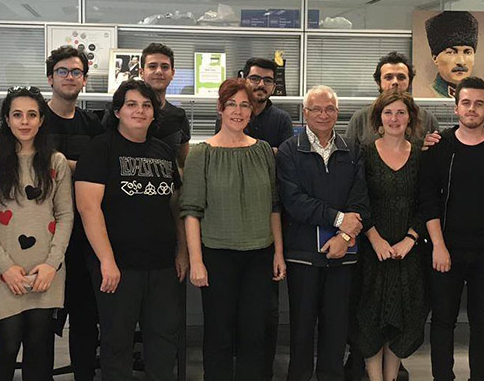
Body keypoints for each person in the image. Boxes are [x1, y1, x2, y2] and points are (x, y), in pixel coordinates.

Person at [419, 77, 484, 381]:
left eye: (479, 104)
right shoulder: (439, 146)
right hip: (446, 252)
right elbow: (427, 200)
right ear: (456, 107)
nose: (472, 109)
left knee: (483, 324)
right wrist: (438, 246)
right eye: (466, 103)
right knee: (442, 322)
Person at [75, 80, 184, 381]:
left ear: (154, 113)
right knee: (117, 342)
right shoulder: (100, 148)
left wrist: (183, 252)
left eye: (146, 105)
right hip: (118, 266)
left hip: (162, 265)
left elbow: (175, 205)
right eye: (132, 104)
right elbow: (88, 208)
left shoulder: (163, 151)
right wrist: (106, 261)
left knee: (163, 341)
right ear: (118, 111)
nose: (140, 111)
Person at [185, 78, 286, 380]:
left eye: (244, 105)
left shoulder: (264, 151)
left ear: (252, 111)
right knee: (219, 332)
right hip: (217, 255)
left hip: (259, 254)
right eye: (231, 104)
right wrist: (196, 261)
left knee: (255, 333)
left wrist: (278, 253)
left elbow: (274, 206)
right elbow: (191, 211)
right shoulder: (201, 153)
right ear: (220, 108)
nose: (238, 111)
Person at [0, 86, 74, 381]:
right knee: (7, 345)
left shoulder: (56, 163)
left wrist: (51, 264)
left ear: (42, 120)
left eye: (31, 115)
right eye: (17, 115)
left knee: (40, 349)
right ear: (7, 119)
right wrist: (6, 268)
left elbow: (65, 215)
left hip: (46, 272)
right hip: (3, 274)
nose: (25, 121)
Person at [278, 85, 370, 381]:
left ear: (337, 113)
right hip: (303, 253)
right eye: (316, 109)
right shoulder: (290, 150)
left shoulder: (352, 150)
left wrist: (344, 237)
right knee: (302, 327)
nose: (323, 114)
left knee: (337, 327)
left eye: (329, 109)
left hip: (344, 255)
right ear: (304, 113)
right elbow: (294, 201)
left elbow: (360, 201)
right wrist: (339, 219)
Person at [346, 90, 433, 381]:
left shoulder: (421, 155)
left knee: (403, 319)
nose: (394, 119)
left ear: (410, 118)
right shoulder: (364, 153)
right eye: (388, 113)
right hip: (372, 251)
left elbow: (427, 203)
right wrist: (375, 238)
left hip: (408, 252)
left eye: (400, 113)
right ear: (378, 118)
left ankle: (392, 377)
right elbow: (358, 200)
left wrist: (410, 238)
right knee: (369, 320)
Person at [39, 45, 106, 381]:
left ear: (84, 80)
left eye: (76, 72)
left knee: (84, 317)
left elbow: (101, 170)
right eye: (62, 71)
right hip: (39, 231)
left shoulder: (93, 124)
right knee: (40, 320)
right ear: (50, 78)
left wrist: (58, 164)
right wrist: (77, 167)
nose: (69, 77)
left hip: (82, 231)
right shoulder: (34, 118)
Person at [104, 43, 191, 167]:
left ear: (172, 73)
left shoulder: (179, 116)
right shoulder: (119, 112)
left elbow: (183, 164)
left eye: (165, 67)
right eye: (152, 66)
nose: (159, 71)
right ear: (141, 72)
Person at [344, 51, 440, 148]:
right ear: (378, 82)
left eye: (401, 77)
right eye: (388, 77)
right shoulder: (360, 119)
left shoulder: (427, 119)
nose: (395, 82)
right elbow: (348, 154)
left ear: (410, 82)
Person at [213, 57, 295, 151]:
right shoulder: (231, 115)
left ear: (273, 88)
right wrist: (272, 151)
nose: (261, 84)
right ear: (244, 81)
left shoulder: (282, 119)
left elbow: (286, 156)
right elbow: (222, 151)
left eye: (268, 80)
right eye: (255, 79)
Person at [424, 12, 479, 98]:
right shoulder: (426, 96)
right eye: (452, 52)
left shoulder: (479, 96)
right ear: (435, 58)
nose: (461, 61)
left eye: (467, 52)